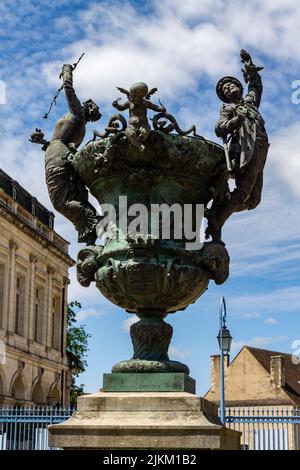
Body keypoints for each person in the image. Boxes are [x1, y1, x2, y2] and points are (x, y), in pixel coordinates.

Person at [206, 50, 269, 245]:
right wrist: (236, 121)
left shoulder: (250, 103)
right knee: (243, 192)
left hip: (261, 148)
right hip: (245, 150)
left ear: (239, 87)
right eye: (225, 89)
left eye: (231, 84)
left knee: (253, 201)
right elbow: (219, 129)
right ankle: (216, 223)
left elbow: (256, 86)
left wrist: (250, 68)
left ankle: (221, 208)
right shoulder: (229, 109)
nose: (228, 88)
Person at [44, 63, 102, 245]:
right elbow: (69, 89)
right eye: (94, 109)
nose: (95, 113)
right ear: (87, 105)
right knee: (62, 202)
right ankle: (96, 225)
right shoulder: (77, 114)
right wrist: (67, 70)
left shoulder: (81, 125)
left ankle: (94, 231)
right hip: (58, 154)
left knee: (73, 200)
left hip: (61, 155)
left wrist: (43, 143)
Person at [112, 82, 166, 150]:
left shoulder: (145, 103)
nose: (134, 97)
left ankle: (139, 140)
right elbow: (121, 108)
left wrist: (161, 109)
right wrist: (116, 105)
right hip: (132, 126)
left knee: (144, 132)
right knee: (131, 134)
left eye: (137, 95)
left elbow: (155, 107)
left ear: (141, 95)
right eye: (134, 95)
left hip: (144, 125)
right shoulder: (129, 103)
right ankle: (139, 145)